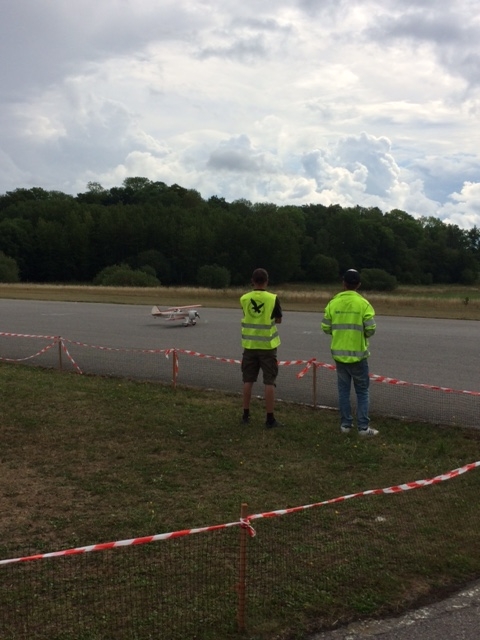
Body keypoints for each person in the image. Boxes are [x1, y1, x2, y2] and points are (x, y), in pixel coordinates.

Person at [321, 269, 378, 436]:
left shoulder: (333, 303)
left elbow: (325, 327)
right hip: (358, 356)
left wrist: (338, 333)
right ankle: (363, 428)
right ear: (358, 284)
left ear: (343, 283)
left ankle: (345, 425)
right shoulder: (363, 304)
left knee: (343, 391)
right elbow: (371, 328)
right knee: (362, 391)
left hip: (339, 356)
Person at [240, 268, 283, 428]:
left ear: (252, 281)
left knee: (248, 380)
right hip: (267, 346)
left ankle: (245, 415)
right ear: (267, 281)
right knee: (269, 381)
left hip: (249, 345)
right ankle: (270, 418)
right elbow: (278, 319)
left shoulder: (244, 298)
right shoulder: (273, 298)